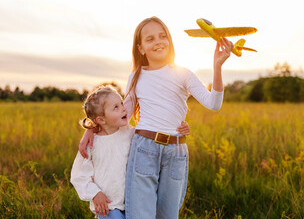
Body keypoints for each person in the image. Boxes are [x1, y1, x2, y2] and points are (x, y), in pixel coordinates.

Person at [79, 16, 233, 219]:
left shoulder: (183, 74)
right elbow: (121, 115)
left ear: (169, 40)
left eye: (162, 36)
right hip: (144, 148)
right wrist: (91, 129)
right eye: (150, 39)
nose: (158, 41)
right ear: (141, 48)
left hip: (176, 152)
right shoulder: (136, 75)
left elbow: (214, 103)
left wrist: (217, 67)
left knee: (167, 216)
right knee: (140, 215)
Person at [71, 85, 191, 219]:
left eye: (121, 103)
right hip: (108, 206)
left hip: (132, 204)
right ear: (101, 120)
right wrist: (95, 193)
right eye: (116, 107)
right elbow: (79, 175)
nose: (123, 108)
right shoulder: (92, 144)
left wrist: (178, 128)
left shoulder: (131, 133)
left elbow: (152, 136)